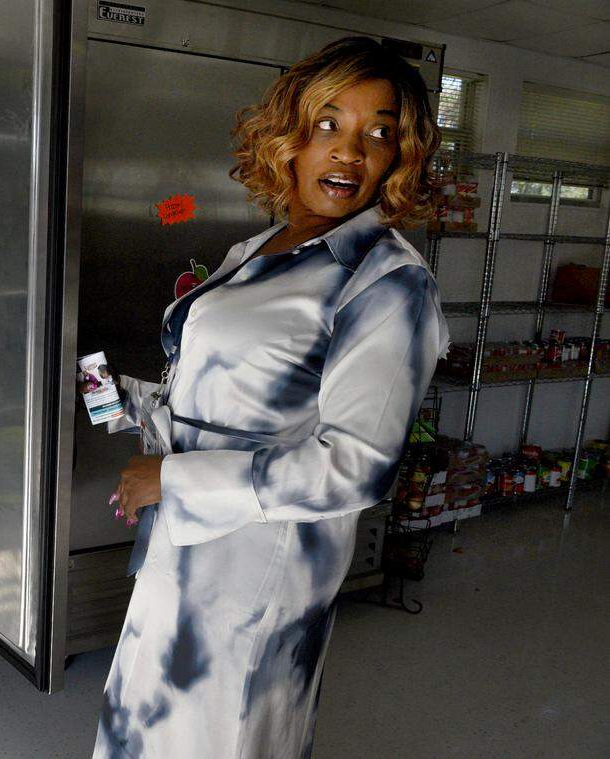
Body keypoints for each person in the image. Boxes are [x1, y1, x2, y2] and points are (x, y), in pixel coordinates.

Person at [93, 37, 450, 758]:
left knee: (222, 740)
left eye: (378, 133)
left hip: (254, 578)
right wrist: (99, 391)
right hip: (184, 551)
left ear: (398, 156)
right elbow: (219, 396)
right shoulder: (261, 248)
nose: (349, 152)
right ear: (290, 132)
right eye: (329, 124)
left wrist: (173, 476)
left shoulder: (387, 282)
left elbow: (356, 465)